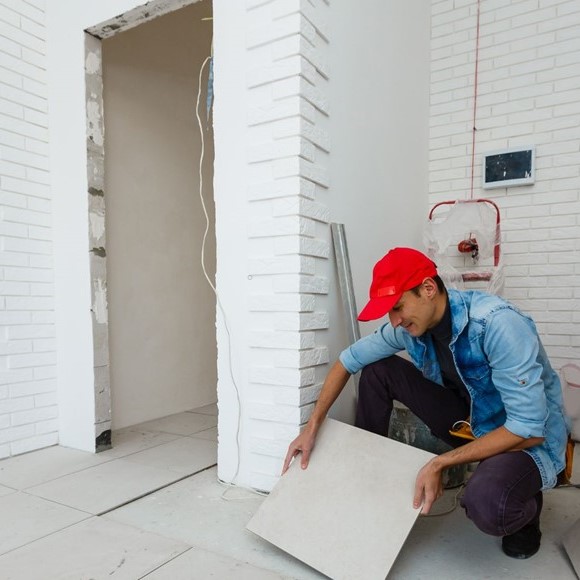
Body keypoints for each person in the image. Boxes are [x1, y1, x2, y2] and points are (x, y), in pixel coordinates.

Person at [282, 247, 568, 559]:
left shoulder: (498, 325)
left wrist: (440, 462)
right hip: (471, 421)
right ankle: (368, 475)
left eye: (398, 307)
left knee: (488, 506)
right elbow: (346, 361)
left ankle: (525, 508)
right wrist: (312, 427)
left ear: (428, 289)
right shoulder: (410, 330)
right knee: (378, 369)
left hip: (524, 439)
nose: (394, 320)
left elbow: (529, 428)